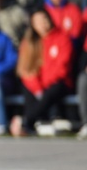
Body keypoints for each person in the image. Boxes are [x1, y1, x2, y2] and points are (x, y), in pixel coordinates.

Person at [12, 8, 74, 137]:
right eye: (38, 21)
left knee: (52, 91)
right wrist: (37, 88)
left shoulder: (62, 38)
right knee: (27, 88)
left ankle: (26, 121)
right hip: (37, 85)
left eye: (44, 18)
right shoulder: (28, 43)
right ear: (33, 25)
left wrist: (43, 85)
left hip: (58, 83)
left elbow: (62, 67)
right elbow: (25, 70)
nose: (43, 23)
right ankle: (33, 123)